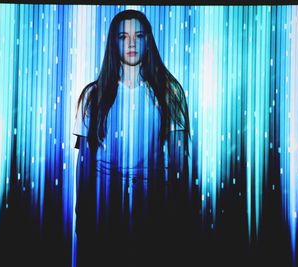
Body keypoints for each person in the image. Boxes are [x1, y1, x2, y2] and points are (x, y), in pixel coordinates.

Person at [73, 9, 190, 267]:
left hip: (154, 210)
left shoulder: (170, 93)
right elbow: (84, 163)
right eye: (123, 36)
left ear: (148, 41)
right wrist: (82, 215)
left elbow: (181, 163)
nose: (131, 43)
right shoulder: (93, 97)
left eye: (138, 35)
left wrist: (180, 216)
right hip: (105, 213)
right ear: (113, 43)